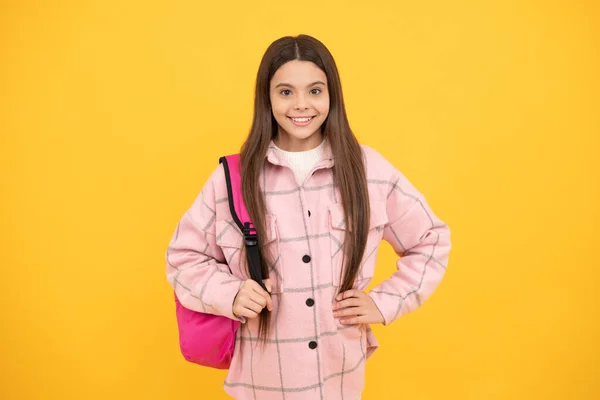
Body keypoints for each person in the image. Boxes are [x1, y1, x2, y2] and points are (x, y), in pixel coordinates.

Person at [166, 34, 452, 400]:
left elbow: (430, 239)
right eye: (285, 92)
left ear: (332, 96)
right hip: (260, 384)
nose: (301, 105)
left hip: (340, 381)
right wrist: (232, 293)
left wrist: (385, 302)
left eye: (315, 91)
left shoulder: (368, 170)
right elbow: (182, 258)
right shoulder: (234, 179)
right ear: (266, 98)